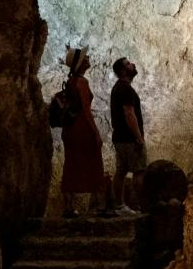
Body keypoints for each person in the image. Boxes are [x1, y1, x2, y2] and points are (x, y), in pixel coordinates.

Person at [55, 47, 106, 216]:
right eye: (85, 57)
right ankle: (100, 206)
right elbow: (85, 109)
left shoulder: (70, 81)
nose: (88, 57)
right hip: (81, 129)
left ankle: (68, 207)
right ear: (81, 63)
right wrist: (96, 133)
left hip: (69, 130)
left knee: (71, 165)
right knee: (94, 162)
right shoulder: (82, 82)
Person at [110, 56, 145, 214]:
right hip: (130, 139)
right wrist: (138, 138)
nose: (133, 64)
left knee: (121, 171)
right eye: (129, 64)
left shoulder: (118, 87)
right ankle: (143, 207)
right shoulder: (125, 89)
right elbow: (129, 114)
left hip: (119, 138)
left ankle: (119, 206)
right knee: (139, 171)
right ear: (124, 70)